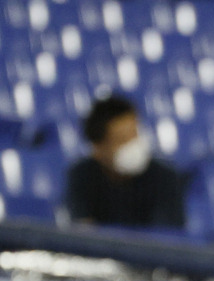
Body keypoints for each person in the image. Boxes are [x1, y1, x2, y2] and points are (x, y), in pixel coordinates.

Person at [65, 95, 185, 229]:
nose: (133, 144)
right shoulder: (82, 176)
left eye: (135, 134)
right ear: (98, 149)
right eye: (122, 140)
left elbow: (165, 239)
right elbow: (83, 232)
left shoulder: (165, 178)